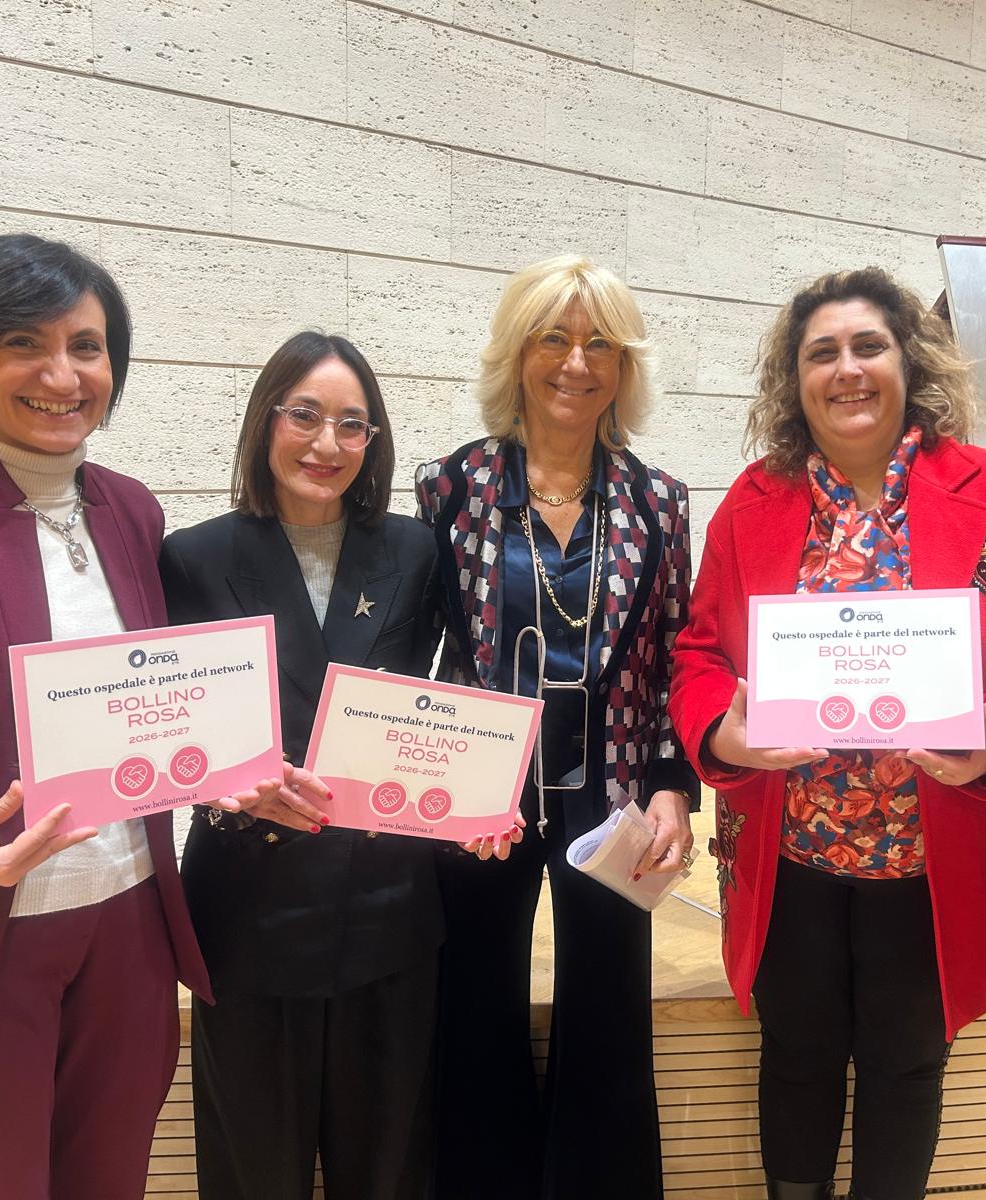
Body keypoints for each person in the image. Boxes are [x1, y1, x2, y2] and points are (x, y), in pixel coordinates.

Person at [0, 234, 303, 1199]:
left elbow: (150, 707)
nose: (61, 375)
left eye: (86, 346)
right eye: (23, 344)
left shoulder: (132, 511)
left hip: (130, 922)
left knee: (111, 1178)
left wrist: (230, 768)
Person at [668, 266, 986, 1200]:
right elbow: (698, 653)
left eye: (868, 346)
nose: (847, 369)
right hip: (792, 852)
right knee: (795, 1057)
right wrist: (722, 730)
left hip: (931, 858)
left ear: (908, 362)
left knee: (908, 1064)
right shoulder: (754, 501)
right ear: (795, 378)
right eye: (822, 353)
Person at [416, 254, 697, 1200]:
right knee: (475, 1006)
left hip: (612, 798)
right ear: (517, 352)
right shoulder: (452, 488)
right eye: (553, 338)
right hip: (482, 797)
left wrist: (672, 787)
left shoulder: (658, 502)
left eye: (600, 345)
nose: (577, 363)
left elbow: (674, 654)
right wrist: (427, 782)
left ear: (624, 367)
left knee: (609, 1017)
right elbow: (425, 649)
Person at [160, 332, 444, 1199]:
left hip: (388, 904)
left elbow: (430, 707)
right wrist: (225, 788)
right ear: (266, 421)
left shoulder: (415, 551)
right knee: (255, 1171)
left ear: (373, 441)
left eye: (352, 425)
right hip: (251, 909)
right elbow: (172, 734)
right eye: (306, 416)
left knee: (387, 1167)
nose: (328, 444)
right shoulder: (193, 557)